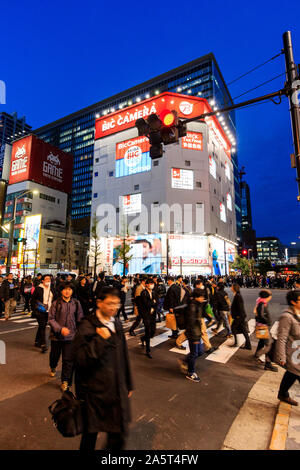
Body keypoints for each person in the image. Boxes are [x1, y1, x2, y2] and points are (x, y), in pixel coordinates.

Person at [73, 287, 133, 451]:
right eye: (110, 303)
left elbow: (123, 355)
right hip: (95, 393)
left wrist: (128, 382)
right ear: (99, 303)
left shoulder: (117, 323)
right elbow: (80, 360)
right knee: (90, 435)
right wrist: (100, 339)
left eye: (117, 303)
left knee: (118, 435)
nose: (114, 307)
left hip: (116, 389)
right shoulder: (87, 326)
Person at [48, 281, 84, 392]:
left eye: (69, 289)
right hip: (56, 336)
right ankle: (53, 366)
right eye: (65, 289)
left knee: (68, 360)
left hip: (71, 337)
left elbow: (80, 318)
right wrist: (60, 329)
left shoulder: (76, 303)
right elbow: (51, 319)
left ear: (72, 291)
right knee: (54, 356)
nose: (67, 291)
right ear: (61, 291)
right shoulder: (56, 303)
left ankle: (65, 381)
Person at [276, 290, 300, 405]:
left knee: (291, 374)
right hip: (293, 354)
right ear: (293, 302)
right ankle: (283, 394)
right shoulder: (286, 317)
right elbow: (282, 338)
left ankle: (283, 393)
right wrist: (282, 357)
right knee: (294, 372)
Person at [177, 288, 207, 383]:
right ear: (197, 297)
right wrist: (195, 335)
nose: (203, 298)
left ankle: (185, 360)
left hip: (197, 332)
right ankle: (191, 372)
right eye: (202, 297)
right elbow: (191, 322)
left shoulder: (197, 304)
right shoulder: (192, 307)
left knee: (200, 351)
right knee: (195, 353)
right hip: (193, 333)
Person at [31, 274, 56, 353]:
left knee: (43, 325)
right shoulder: (38, 288)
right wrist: (33, 310)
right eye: (46, 279)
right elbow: (33, 300)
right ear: (42, 280)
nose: (48, 280)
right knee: (42, 326)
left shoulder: (52, 288)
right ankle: (43, 344)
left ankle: (37, 341)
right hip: (40, 310)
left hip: (49, 310)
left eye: (49, 279)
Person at [254, 290, 278, 372]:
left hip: (261, 326)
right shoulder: (262, 303)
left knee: (262, 341)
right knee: (269, 344)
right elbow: (260, 315)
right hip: (262, 327)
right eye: (270, 296)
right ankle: (259, 355)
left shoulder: (260, 302)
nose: (270, 297)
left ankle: (266, 362)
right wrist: (267, 321)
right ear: (267, 297)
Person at [139, 278, 157, 359]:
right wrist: (153, 302)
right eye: (150, 283)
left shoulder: (153, 292)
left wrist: (153, 303)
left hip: (152, 315)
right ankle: (148, 350)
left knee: (152, 331)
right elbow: (146, 303)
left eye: (152, 283)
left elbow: (158, 301)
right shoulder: (143, 293)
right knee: (148, 330)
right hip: (146, 315)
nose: (152, 285)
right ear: (146, 284)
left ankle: (143, 338)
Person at [230, 284, 251, 350]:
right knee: (244, 330)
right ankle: (248, 345)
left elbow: (240, 307)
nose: (231, 288)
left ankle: (236, 343)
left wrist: (238, 316)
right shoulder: (237, 295)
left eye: (232, 287)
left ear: (234, 288)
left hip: (239, 316)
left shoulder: (238, 296)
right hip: (240, 316)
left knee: (233, 327)